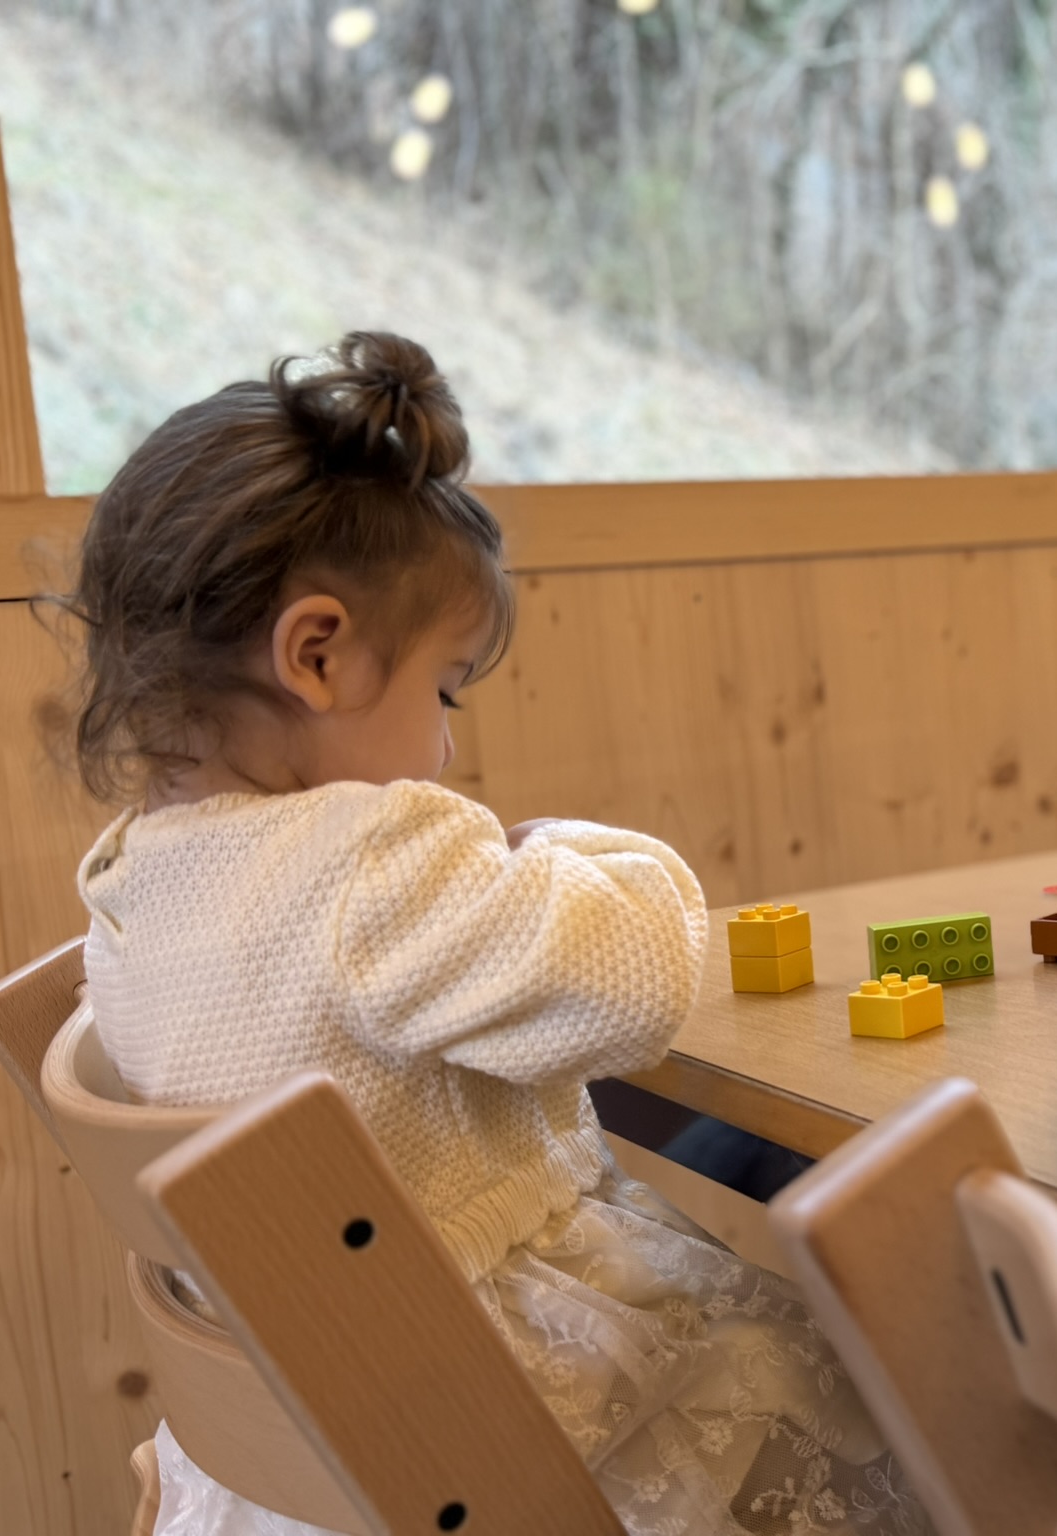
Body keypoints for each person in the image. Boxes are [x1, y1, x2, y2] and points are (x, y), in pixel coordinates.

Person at [53, 332, 928, 1535]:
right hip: (488, 1407)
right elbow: (634, 981)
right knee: (882, 1400)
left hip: (302, 1443)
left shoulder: (131, 883)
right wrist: (566, 842)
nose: (448, 748)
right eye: (444, 688)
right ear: (315, 654)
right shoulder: (368, 860)